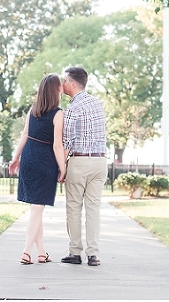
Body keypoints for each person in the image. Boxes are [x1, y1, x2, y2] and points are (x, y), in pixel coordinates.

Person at [9, 73, 67, 265]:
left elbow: (25, 134)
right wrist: (63, 167)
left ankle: (42, 252)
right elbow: (58, 146)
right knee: (37, 209)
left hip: (28, 158)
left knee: (36, 208)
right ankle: (26, 252)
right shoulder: (58, 114)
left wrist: (15, 158)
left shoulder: (32, 110)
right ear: (55, 90)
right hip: (45, 162)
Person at [60, 66, 107, 267]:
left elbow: (66, 141)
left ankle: (75, 252)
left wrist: (61, 168)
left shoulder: (72, 108)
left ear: (71, 83)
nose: (61, 84)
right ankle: (93, 254)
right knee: (93, 209)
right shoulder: (97, 103)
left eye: (64, 80)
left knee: (73, 208)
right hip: (100, 161)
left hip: (79, 162)